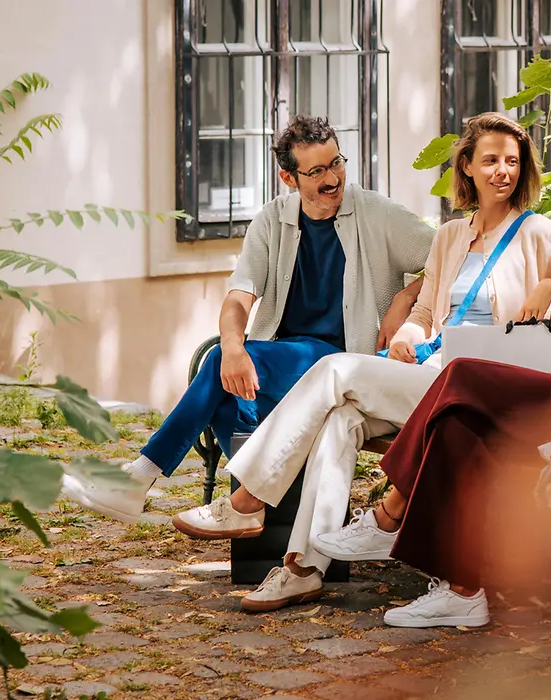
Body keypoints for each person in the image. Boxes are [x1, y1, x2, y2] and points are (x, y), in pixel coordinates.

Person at [166, 113, 551, 612]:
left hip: (480, 389)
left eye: (511, 161)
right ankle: (303, 568)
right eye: (490, 160)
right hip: (432, 375)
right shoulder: (451, 237)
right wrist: (409, 332)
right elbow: (425, 311)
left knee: (336, 370)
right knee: (340, 418)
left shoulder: (540, 233)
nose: (502, 170)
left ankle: (249, 500)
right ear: (467, 167)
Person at [309, 123, 551, 628]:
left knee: (463, 377)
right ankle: (462, 590)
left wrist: (534, 368)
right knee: (461, 422)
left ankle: (391, 514)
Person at [60, 116, 433, 522]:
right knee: (225, 395)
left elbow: (452, 258)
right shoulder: (272, 220)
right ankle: (271, 507)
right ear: (289, 179)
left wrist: (405, 297)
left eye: (337, 163)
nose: (333, 179)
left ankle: (142, 480)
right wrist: (235, 345)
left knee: (220, 363)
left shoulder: (377, 213)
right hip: (283, 360)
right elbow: (239, 297)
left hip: (343, 363)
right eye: (317, 171)